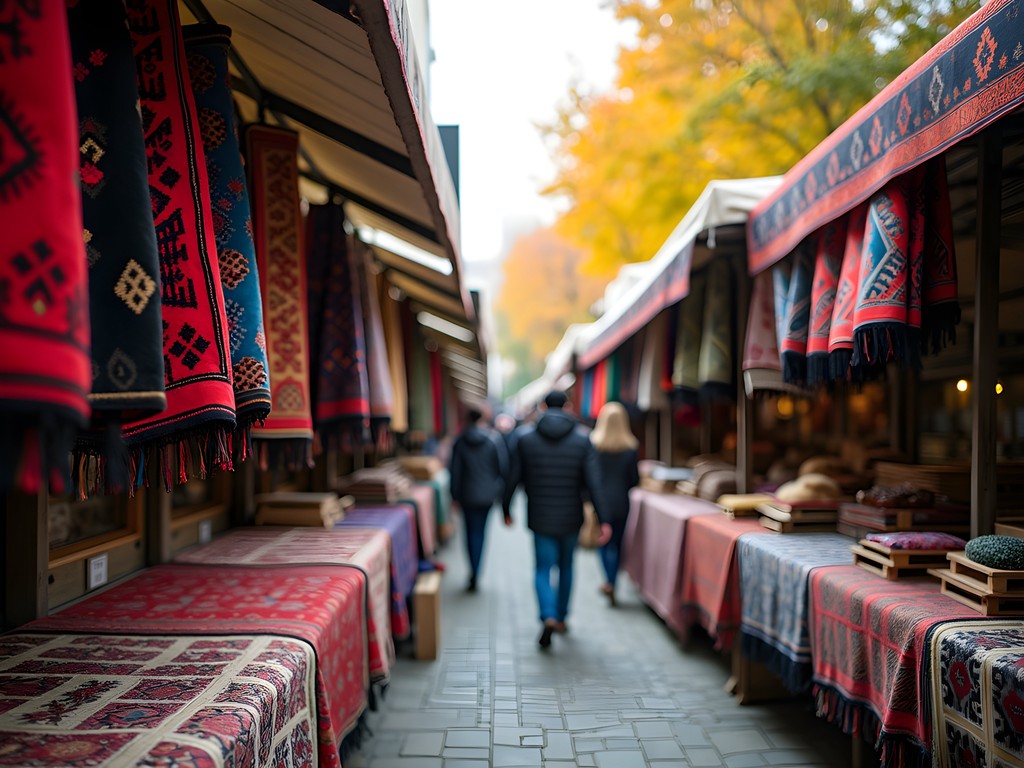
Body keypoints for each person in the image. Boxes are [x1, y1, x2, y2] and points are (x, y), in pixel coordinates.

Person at [503, 390, 610, 648]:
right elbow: (594, 483)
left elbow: (512, 477)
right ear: (568, 406)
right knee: (567, 567)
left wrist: (505, 508)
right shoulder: (583, 440)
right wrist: (603, 518)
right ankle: (561, 618)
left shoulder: (525, 439)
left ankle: (547, 615)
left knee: (542, 568)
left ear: (541, 405)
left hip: (540, 515)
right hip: (571, 516)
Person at [448, 407, 508, 592]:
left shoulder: (460, 441)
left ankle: (473, 571)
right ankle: (477, 569)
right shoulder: (493, 439)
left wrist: (454, 495)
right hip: (487, 495)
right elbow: (503, 467)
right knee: (481, 533)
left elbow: (455, 471)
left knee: (469, 533)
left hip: (467, 495)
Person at [588, 401, 640, 607]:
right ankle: (612, 581)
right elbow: (634, 480)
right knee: (617, 543)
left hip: (601, 500)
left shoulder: (593, 445)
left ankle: (608, 580)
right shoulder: (631, 447)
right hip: (621, 501)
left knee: (603, 540)